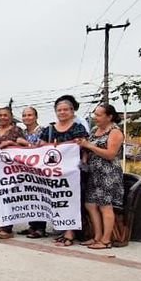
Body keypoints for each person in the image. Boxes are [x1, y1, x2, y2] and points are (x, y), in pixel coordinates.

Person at [39, 96, 90, 247]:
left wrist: (82, 161)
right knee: (57, 200)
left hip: (73, 173)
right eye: (59, 110)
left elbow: (85, 148)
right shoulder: (48, 130)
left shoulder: (78, 128)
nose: (62, 112)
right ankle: (62, 229)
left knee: (72, 201)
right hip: (53, 173)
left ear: (72, 111)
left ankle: (70, 232)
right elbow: (40, 149)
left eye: (65, 110)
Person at [78, 104, 124, 250]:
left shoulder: (115, 132)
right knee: (90, 205)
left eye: (98, 115)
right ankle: (97, 236)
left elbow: (110, 154)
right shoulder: (94, 130)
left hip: (108, 173)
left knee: (105, 206)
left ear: (109, 116)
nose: (95, 118)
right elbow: (86, 147)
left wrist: (90, 146)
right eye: (95, 115)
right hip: (93, 173)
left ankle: (106, 240)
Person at [0, 107, 24, 239]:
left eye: (5, 115)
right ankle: (2, 223)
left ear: (11, 117)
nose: (2, 117)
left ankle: (8, 228)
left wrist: (11, 143)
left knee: (9, 197)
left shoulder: (17, 130)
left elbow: (25, 149)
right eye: (0, 115)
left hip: (11, 171)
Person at [15, 106, 47, 238]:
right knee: (29, 197)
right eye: (24, 115)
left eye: (29, 115)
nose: (26, 118)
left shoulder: (43, 131)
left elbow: (41, 149)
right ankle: (32, 225)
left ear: (36, 116)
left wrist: (25, 143)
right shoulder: (22, 132)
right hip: (26, 170)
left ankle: (40, 228)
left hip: (39, 170)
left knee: (39, 197)